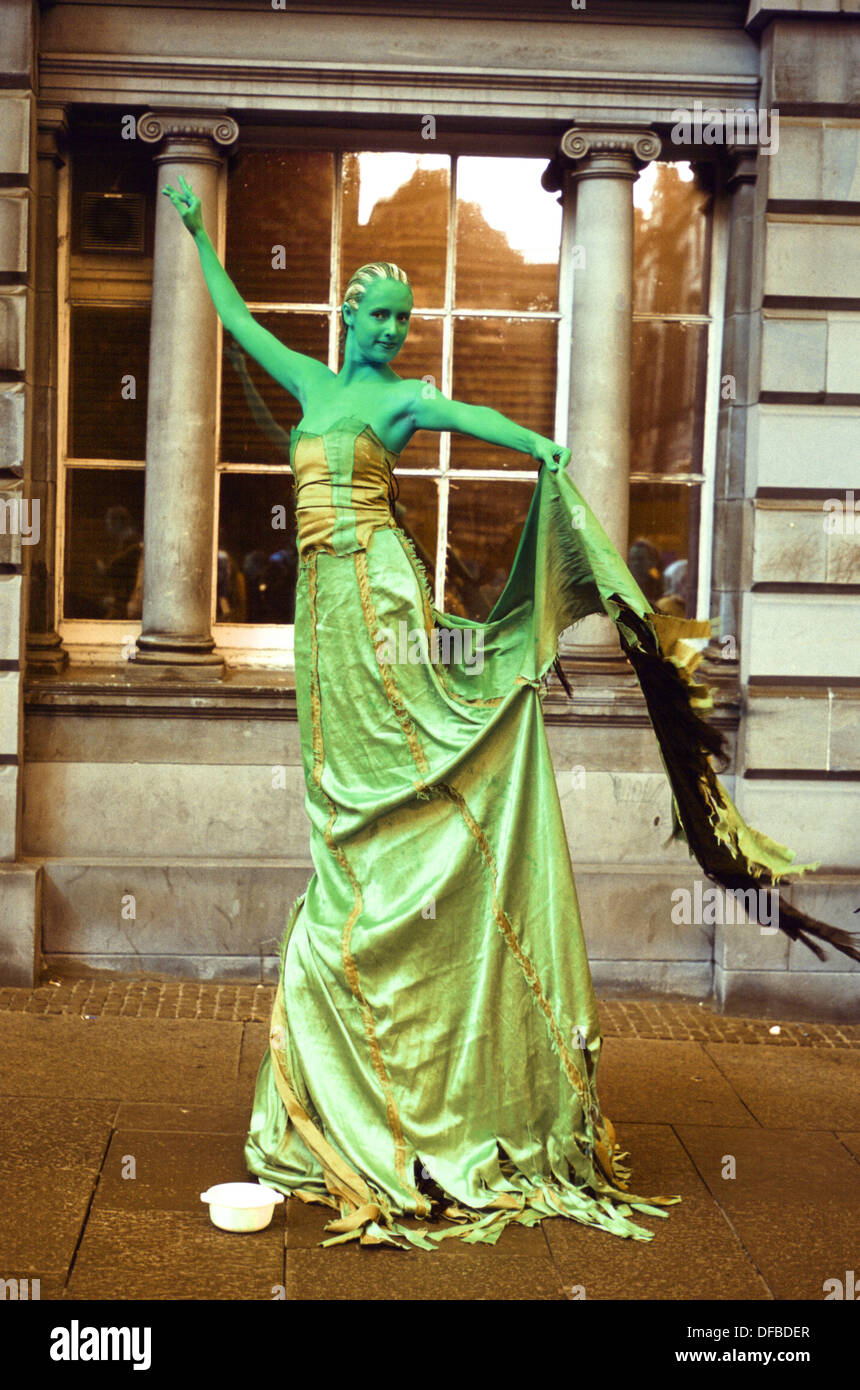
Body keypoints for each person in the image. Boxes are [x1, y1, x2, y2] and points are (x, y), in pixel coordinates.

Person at [163, 174, 858, 1251]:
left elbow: (463, 413)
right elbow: (238, 316)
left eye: (402, 319)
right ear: (345, 315)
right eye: (377, 315)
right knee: (346, 796)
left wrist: (536, 445)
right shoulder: (309, 382)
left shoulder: (393, 403)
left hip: (378, 598)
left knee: (414, 755)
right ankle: (372, 917)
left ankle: (444, 851)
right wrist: (206, 235)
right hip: (322, 627)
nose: (391, 332)